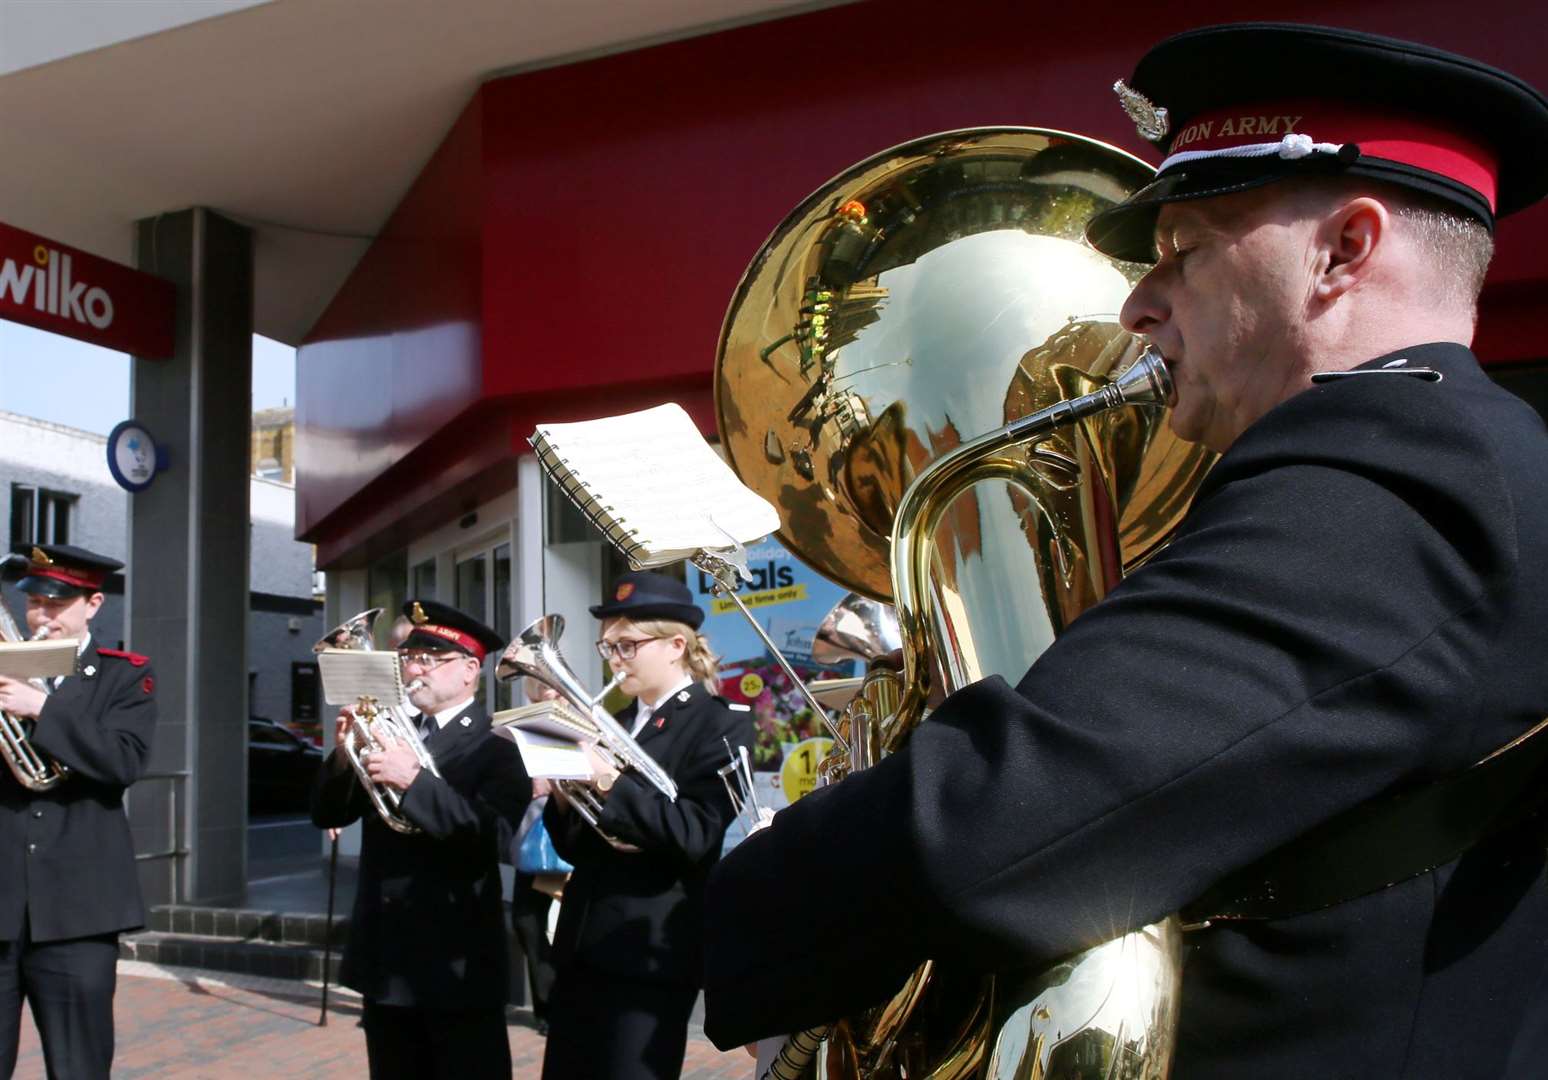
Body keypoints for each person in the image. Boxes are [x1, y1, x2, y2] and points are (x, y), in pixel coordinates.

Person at [701, 23, 1548, 1078]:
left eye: (1186, 254)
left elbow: (1002, 826)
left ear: (1346, 250)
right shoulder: (1449, 457)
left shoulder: (1395, 474)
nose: (1139, 307)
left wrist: (731, 893)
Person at [540, 571, 753, 1080]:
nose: (613, 660)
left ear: (676, 644)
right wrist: (566, 794)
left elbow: (696, 834)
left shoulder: (721, 722)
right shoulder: (612, 718)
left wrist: (609, 780)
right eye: (607, 647)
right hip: (582, 945)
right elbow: (576, 847)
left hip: (649, 955)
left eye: (627, 646)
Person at [310, 599, 530, 1079]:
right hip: (386, 953)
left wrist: (416, 783)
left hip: (456, 957)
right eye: (410, 657)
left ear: (471, 670)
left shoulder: (499, 742)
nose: (416, 669)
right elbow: (327, 813)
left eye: (432, 659)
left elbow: (497, 836)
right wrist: (344, 756)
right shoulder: (393, 730)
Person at [0, 544, 156, 1079]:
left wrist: (42, 707)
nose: (41, 615)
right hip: (1, 903)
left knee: (78, 1067)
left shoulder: (123, 677)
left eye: (57, 602)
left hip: (79, 913)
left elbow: (124, 761)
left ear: (93, 605)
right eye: (34, 603)